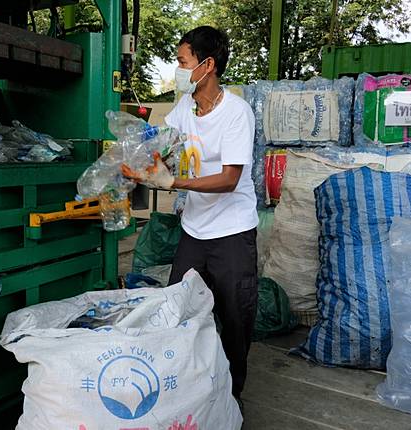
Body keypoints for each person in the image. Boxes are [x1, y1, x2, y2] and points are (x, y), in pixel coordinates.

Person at [124, 26, 258, 412]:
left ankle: (232, 400)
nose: (178, 69)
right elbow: (166, 146)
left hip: (232, 231)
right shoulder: (186, 107)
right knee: (177, 308)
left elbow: (230, 179)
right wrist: (137, 161)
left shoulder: (236, 113)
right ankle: (183, 386)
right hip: (195, 230)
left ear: (207, 65)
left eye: (182, 62)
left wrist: (173, 181)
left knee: (235, 320)